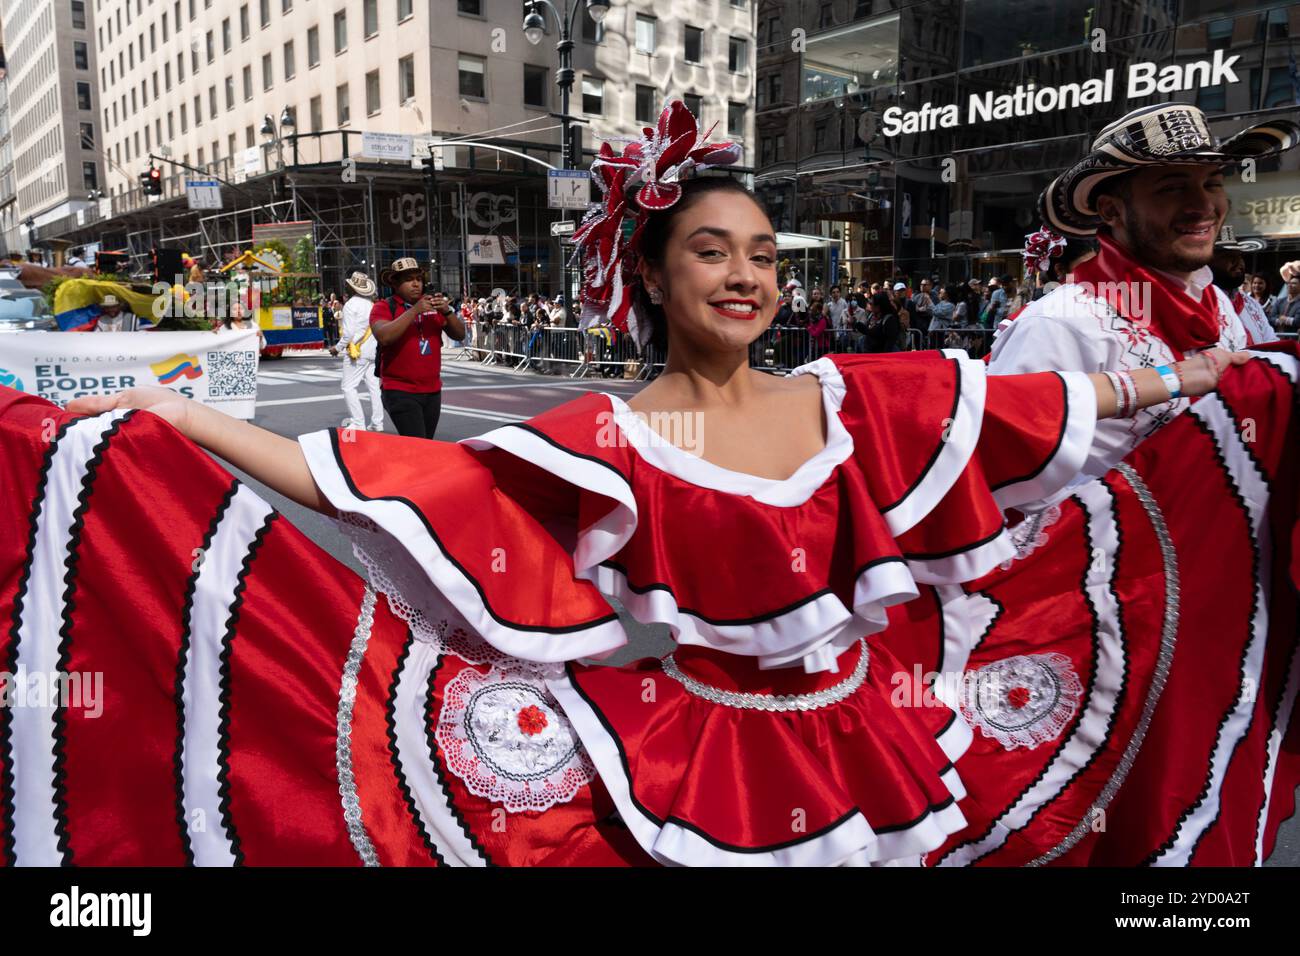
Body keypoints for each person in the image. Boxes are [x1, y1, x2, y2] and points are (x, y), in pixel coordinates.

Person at [1, 100, 1292, 869]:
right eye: (708, 254)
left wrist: (1227, 383)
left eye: (762, 255)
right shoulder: (602, 440)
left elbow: (1066, 408)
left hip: (871, 739)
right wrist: (181, 416)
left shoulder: (870, 401)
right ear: (652, 280)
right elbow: (389, 484)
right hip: (674, 756)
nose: (745, 276)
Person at [990, 101, 1294, 482]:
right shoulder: (1061, 323)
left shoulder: (1218, 303)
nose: (1203, 206)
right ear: (1111, 211)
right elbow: (995, 464)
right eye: (1172, 188)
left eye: (1212, 183)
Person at [369, 257, 466, 439]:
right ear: (395, 284)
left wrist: (447, 311)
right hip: (399, 390)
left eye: (418, 279)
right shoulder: (383, 307)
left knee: (425, 444)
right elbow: (384, 337)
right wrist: (413, 311)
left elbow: (460, 335)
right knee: (418, 444)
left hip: (432, 390)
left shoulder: (432, 305)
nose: (415, 284)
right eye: (408, 280)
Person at [337, 271, 384, 432]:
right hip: (372, 351)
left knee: (348, 387)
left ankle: (358, 422)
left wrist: (337, 348)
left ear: (352, 288)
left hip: (357, 352)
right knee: (374, 387)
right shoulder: (372, 305)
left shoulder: (351, 304)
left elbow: (349, 333)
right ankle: (377, 423)